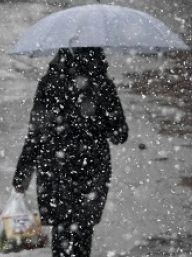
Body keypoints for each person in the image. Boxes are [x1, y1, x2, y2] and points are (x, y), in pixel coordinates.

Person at [12, 47, 128, 257]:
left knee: (61, 227)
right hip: (92, 167)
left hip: (54, 168)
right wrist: (96, 121)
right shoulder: (103, 85)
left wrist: (21, 178)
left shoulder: (49, 83)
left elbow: (35, 133)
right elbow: (119, 134)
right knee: (83, 229)